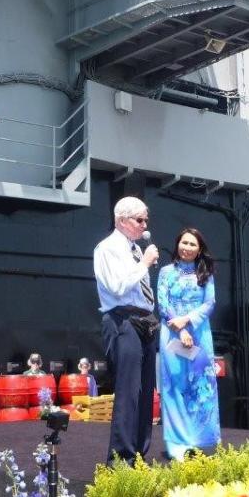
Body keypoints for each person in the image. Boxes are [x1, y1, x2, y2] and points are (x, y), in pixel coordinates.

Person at [94, 196, 159, 465]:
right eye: (139, 220)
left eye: (146, 220)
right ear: (122, 220)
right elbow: (118, 287)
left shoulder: (133, 249)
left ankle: (139, 454)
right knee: (129, 389)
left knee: (145, 390)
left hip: (145, 321)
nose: (145, 226)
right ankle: (120, 458)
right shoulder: (107, 248)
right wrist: (143, 264)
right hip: (122, 320)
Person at [158, 227, 220, 459]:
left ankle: (200, 441)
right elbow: (163, 305)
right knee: (174, 386)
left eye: (193, 244)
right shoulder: (166, 272)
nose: (187, 248)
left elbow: (210, 304)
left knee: (201, 386)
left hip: (200, 336)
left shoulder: (206, 274)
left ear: (200, 249)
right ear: (177, 245)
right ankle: (178, 444)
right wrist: (181, 328)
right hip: (173, 335)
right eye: (184, 243)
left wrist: (188, 320)